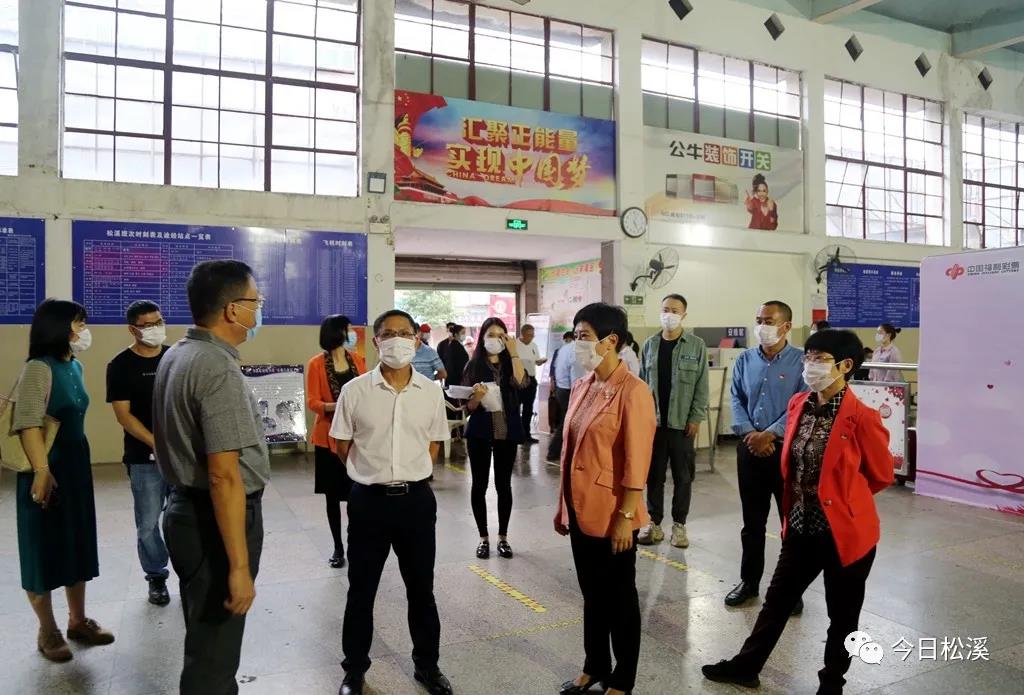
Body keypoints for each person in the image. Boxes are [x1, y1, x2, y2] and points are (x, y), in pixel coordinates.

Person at [703, 329, 894, 695]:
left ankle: (831, 684)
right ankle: (746, 666)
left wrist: (842, 499)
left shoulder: (862, 417)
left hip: (845, 535)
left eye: (819, 359)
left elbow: (882, 474)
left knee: (842, 615)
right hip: (801, 526)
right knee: (776, 603)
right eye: (808, 357)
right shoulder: (798, 405)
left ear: (846, 365)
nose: (809, 365)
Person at [152, 260, 269, 695]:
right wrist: (238, 567)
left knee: (206, 639)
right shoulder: (216, 367)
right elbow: (224, 476)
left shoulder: (178, 354)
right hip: (214, 522)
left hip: (186, 509)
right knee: (214, 652)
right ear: (233, 309)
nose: (259, 308)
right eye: (255, 300)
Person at [330, 309, 453, 695]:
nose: (396, 339)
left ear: (416, 339)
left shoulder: (430, 392)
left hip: (416, 503)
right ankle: (354, 670)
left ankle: (427, 666)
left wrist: (411, 471)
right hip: (369, 502)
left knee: (421, 589)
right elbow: (340, 443)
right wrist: (372, 472)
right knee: (361, 590)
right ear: (376, 340)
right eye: (387, 333)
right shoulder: (355, 391)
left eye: (404, 333)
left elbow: (433, 443)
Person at [554, 303, 656, 695]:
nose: (577, 344)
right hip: (580, 508)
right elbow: (571, 452)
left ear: (611, 340)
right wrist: (563, 506)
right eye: (576, 336)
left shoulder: (633, 391)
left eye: (584, 336)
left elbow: (637, 461)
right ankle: (594, 665)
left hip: (614, 512)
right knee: (593, 595)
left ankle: (622, 679)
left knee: (620, 599)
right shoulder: (584, 385)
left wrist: (626, 516)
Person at [13, 299, 114, 663]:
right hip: (46, 468)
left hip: (74, 466)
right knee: (41, 549)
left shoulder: (74, 365)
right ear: (58, 328)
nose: (84, 330)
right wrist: (42, 472)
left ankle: (77, 621)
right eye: (78, 324)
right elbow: (27, 423)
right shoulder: (38, 369)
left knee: (76, 542)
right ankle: (48, 630)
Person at [727, 301, 808, 614]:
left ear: (786, 326)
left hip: (785, 451)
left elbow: (803, 404)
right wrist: (751, 434)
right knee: (752, 523)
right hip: (749, 449)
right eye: (759, 320)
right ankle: (749, 582)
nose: (762, 326)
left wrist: (771, 434)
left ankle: (791, 590)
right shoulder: (745, 359)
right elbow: (736, 398)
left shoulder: (801, 361)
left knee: (791, 523)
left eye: (769, 321)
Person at [106, 299, 171, 607]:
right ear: (133, 330)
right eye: (148, 325)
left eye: (159, 322)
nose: (156, 329)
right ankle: (156, 576)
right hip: (143, 458)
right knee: (147, 523)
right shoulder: (120, 365)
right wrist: (155, 442)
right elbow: (124, 415)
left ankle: (191, 573)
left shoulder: (174, 357)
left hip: (181, 455)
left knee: (184, 517)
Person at [637, 294, 709, 549]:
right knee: (654, 476)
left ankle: (679, 525)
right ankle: (653, 523)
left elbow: (701, 384)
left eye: (675, 311)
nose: (669, 314)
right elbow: (642, 384)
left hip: (682, 424)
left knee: (683, 477)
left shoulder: (696, 345)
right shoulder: (650, 344)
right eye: (666, 309)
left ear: (684, 315)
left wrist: (695, 417)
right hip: (654, 424)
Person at [464, 318, 528, 559]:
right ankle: (483, 538)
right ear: (482, 337)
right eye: (491, 334)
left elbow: (521, 383)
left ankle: (503, 537)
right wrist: (477, 397)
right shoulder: (473, 366)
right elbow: (467, 407)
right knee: (479, 484)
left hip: (506, 430)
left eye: (501, 335)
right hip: (480, 430)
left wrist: (514, 353)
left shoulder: (511, 363)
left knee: (504, 484)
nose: (496, 339)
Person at [306, 315, 365, 569]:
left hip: (354, 438)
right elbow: (313, 402)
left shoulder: (359, 360)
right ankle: (338, 547)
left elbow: (364, 394)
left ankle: (355, 543)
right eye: (349, 329)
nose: (353, 333)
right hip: (327, 438)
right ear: (338, 332)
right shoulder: (316, 364)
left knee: (356, 494)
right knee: (332, 497)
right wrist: (337, 405)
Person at [546, 331, 576, 462]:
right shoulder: (575, 349)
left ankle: (559, 450)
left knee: (566, 420)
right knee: (567, 421)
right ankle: (554, 450)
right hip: (569, 389)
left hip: (561, 388)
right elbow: (576, 375)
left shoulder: (564, 349)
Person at [516, 323, 548, 444]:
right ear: (522, 334)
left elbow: (536, 362)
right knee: (515, 408)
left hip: (531, 379)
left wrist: (541, 361)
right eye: (529, 335)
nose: (531, 337)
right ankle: (516, 434)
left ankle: (526, 434)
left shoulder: (534, 345)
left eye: (533, 335)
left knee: (528, 408)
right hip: (518, 381)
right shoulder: (515, 345)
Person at [437, 323, 469, 388]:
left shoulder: (454, 345)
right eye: (462, 333)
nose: (464, 335)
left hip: (452, 378)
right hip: (456, 378)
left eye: (465, 333)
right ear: (456, 334)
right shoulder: (456, 346)